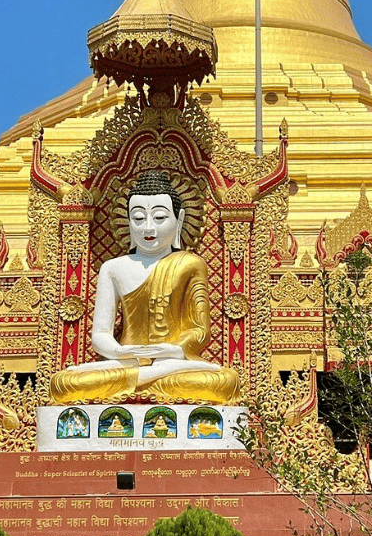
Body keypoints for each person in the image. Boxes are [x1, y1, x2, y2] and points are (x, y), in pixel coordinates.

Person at [50, 170, 240, 405]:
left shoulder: (190, 264)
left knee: (223, 381)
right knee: (65, 382)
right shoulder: (112, 268)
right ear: (127, 221)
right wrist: (121, 352)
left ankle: (142, 381)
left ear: (178, 220)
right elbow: (100, 334)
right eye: (138, 218)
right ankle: (142, 379)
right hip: (126, 362)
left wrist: (171, 350)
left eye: (160, 218)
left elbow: (200, 331)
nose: (148, 228)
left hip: (172, 364)